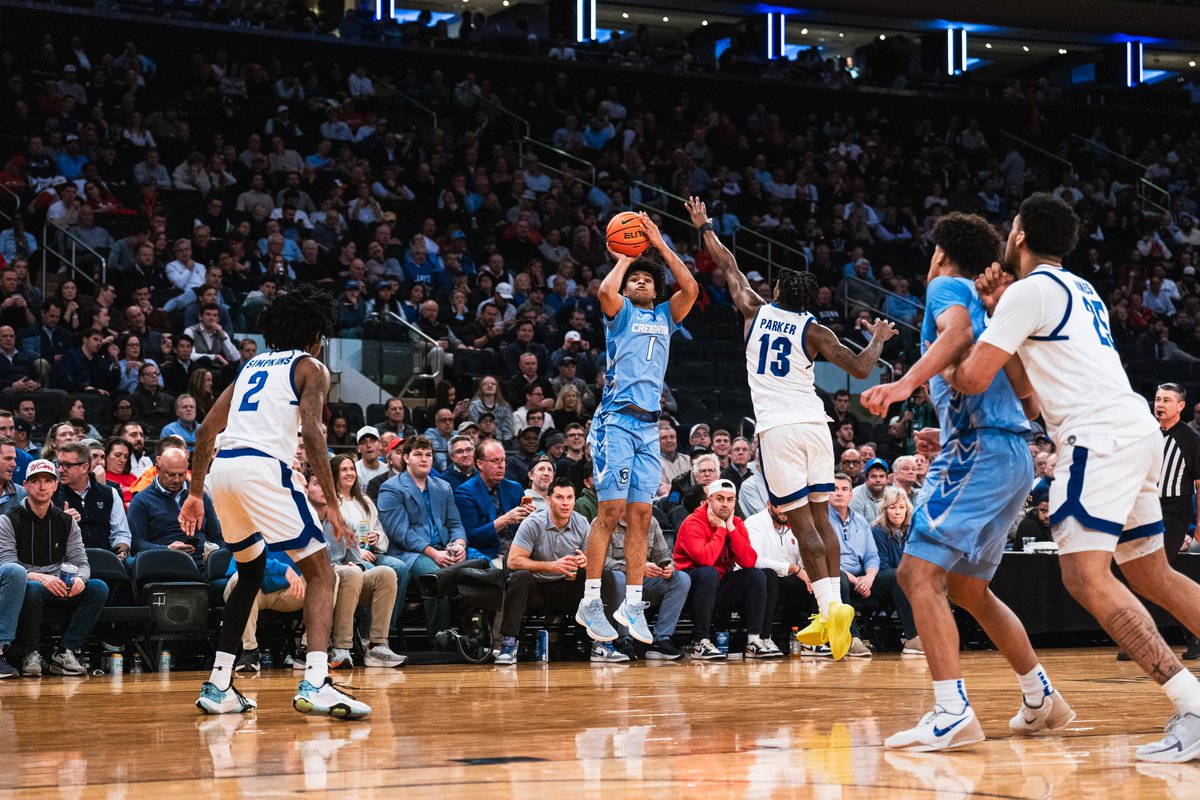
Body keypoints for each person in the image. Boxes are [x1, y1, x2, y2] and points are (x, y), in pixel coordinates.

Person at [936, 198, 1196, 755]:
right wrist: (999, 314)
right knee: (1153, 576)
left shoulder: (1027, 293)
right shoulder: (1078, 288)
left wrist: (944, 353)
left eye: (1010, 229)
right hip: (1134, 431)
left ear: (1020, 235)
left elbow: (973, 378)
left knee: (1083, 577)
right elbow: (1030, 400)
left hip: (1096, 438)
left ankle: (1192, 706)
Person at [861, 209, 1070, 752]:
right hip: (1011, 453)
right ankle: (1040, 694)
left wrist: (904, 385)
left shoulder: (946, 286)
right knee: (969, 589)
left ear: (939, 253)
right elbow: (1023, 396)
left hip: (980, 451)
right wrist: (947, 429)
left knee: (915, 574)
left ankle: (951, 712)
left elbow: (956, 335)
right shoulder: (997, 305)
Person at [686, 195, 897, 662]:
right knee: (825, 520)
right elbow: (862, 370)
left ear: (778, 289)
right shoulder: (816, 332)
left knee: (802, 524)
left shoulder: (756, 310)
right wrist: (878, 337)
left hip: (778, 429)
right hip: (816, 426)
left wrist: (704, 227)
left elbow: (729, 265)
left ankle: (828, 609)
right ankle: (836, 608)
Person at [180, 285, 369, 720]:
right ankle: (317, 682)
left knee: (250, 571)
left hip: (223, 472)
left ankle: (219, 684)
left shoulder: (248, 367)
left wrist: (194, 494)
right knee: (322, 572)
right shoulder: (311, 367)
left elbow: (206, 430)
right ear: (315, 334)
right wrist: (336, 502)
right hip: (264, 469)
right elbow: (314, 433)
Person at [576, 210, 699, 647]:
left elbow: (692, 288)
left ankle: (632, 601)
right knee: (610, 512)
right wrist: (626, 256)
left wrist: (659, 245)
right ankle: (591, 600)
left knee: (642, 515)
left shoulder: (666, 315)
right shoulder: (621, 311)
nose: (641, 282)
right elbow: (606, 289)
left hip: (650, 427)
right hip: (616, 422)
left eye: (648, 279)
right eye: (636, 279)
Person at [0, 459, 108, 678]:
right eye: (36, 481)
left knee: (98, 587)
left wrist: (80, 579)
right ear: (26, 485)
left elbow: (81, 562)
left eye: (48, 481)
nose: (42, 486)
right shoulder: (8, 520)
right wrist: (41, 578)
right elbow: (7, 563)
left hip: (61, 584)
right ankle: (30, 652)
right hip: (31, 585)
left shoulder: (66, 521)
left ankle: (65, 650)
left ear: (56, 485)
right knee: (31, 587)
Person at [497, 478, 609, 664]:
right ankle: (508, 644)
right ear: (548, 500)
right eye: (559, 497)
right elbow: (513, 561)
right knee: (520, 578)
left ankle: (602, 642)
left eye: (569, 497)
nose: (565, 503)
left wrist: (586, 561)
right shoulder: (533, 523)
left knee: (603, 576)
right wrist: (551, 565)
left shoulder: (581, 523)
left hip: (567, 588)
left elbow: (593, 560)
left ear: (575, 499)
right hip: (537, 590)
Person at [377, 436, 478, 640]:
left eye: (428, 455)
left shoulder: (443, 486)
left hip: (443, 548)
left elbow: (455, 523)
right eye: (418, 454)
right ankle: (440, 640)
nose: (424, 459)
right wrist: (433, 552)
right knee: (436, 575)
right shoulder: (391, 487)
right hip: (409, 553)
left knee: (480, 571)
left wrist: (459, 544)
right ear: (406, 457)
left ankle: (475, 635)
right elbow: (400, 532)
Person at [673, 478, 781, 660]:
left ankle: (755, 640)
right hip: (690, 590)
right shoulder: (693, 522)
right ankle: (701, 642)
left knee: (762, 575)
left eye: (730, 500)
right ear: (709, 501)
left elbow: (749, 561)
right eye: (720, 499)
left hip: (719, 587)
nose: (725, 504)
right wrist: (721, 530)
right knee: (709, 572)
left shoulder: (737, 523)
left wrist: (730, 529)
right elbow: (706, 559)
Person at [307, 472, 406, 669]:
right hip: (318, 582)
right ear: (306, 489)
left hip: (348, 582)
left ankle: (376, 644)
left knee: (385, 573)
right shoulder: (302, 522)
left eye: (328, 485)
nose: (325, 490)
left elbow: (356, 561)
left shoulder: (346, 524)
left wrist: (356, 566)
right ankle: (341, 647)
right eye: (318, 483)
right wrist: (339, 568)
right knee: (350, 574)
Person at [1152, 383, 1200, 660]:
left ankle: (1190, 633)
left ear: (1180, 406)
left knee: (1159, 571)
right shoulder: (1147, 435)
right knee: (1152, 574)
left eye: (1167, 400)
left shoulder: (1191, 439)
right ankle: (1191, 632)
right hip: (1147, 508)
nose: (1160, 404)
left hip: (1174, 511)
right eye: (1158, 399)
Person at [601, 510, 690, 660]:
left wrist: (668, 566)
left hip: (646, 582)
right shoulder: (605, 521)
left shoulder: (651, 521)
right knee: (620, 579)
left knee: (681, 579)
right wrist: (635, 568)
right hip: (616, 584)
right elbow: (601, 562)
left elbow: (664, 554)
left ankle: (661, 640)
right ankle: (624, 639)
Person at [826, 474, 877, 659]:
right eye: (835, 489)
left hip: (862, 579)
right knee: (839, 578)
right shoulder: (821, 520)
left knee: (896, 577)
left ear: (851, 495)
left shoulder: (862, 522)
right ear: (827, 494)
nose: (839, 493)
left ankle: (912, 637)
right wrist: (856, 580)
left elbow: (872, 556)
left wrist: (869, 578)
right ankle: (852, 639)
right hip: (835, 577)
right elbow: (824, 558)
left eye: (844, 489)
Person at [454, 440, 529, 563]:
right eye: (495, 461)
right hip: (489, 555)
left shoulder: (515, 487)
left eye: (503, 460)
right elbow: (472, 537)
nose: (501, 465)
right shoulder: (465, 492)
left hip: (518, 551)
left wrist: (530, 517)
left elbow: (524, 528)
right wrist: (504, 520)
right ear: (480, 464)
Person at [53, 441, 130, 557]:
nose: (60, 470)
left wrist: (121, 550)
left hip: (106, 558)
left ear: (84, 468)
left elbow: (121, 533)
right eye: (59, 464)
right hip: (68, 560)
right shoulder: (52, 494)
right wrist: (61, 524)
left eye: (67, 465)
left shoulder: (110, 493)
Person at [869, 487, 920, 653]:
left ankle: (932, 635)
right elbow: (881, 566)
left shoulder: (911, 530)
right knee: (898, 576)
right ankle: (912, 637)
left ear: (907, 509)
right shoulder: (878, 531)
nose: (898, 512)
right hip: (879, 580)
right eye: (892, 508)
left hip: (902, 580)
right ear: (884, 510)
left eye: (901, 507)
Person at [850, 458, 889, 524]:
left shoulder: (892, 495)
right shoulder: (855, 495)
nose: (878, 480)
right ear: (866, 479)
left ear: (887, 479)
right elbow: (858, 527)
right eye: (873, 476)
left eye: (881, 476)